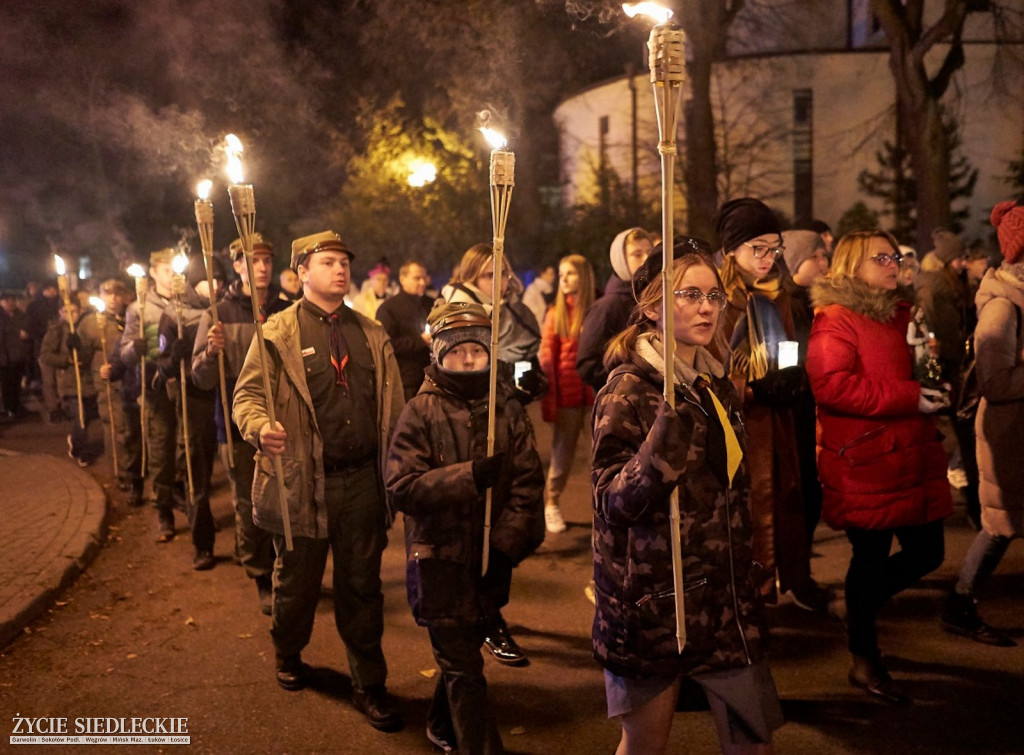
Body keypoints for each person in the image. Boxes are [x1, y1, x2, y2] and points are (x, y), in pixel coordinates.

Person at [591, 249, 783, 755]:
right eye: (690, 295)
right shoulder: (627, 391)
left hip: (724, 603)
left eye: (713, 295)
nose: (707, 308)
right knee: (644, 746)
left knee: (753, 742)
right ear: (653, 307)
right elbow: (612, 503)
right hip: (657, 605)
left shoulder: (714, 383)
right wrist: (656, 455)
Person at [232, 230, 405, 732]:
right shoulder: (277, 332)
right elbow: (247, 397)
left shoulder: (372, 334)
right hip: (301, 484)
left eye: (344, 261)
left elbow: (391, 410)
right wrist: (259, 428)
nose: (340, 269)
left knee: (362, 588)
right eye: (327, 261)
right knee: (297, 585)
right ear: (302, 272)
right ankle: (288, 651)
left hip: (361, 486)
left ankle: (369, 684)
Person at [386, 300, 545, 754]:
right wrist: (469, 477)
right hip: (440, 562)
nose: (470, 359)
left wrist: (507, 547)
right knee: (463, 668)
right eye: (458, 351)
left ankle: (440, 723)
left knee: (463, 657)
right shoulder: (420, 412)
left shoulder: (506, 408)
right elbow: (402, 487)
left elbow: (527, 483)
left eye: (478, 350)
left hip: (489, 562)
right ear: (438, 353)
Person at [807, 229, 952, 705]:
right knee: (868, 560)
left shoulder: (901, 314)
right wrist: (911, 396)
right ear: (852, 265)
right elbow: (832, 387)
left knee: (927, 551)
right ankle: (863, 654)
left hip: (908, 453)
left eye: (894, 256)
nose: (893, 264)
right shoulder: (835, 319)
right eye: (881, 258)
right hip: (865, 461)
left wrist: (928, 376)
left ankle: (858, 609)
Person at [435, 242, 545, 666]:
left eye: (502, 272)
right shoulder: (458, 315)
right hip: (469, 436)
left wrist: (529, 383)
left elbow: (519, 363)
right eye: (487, 275)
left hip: (509, 427)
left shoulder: (512, 316)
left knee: (520, 526)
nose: (498, 282)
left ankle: (486, 606)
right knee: (481, 528)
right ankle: (487, 617)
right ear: (468, 278)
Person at [714, 198, 826, 611]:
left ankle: (788, 582)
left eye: (774, 248)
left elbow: (790, 348)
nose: (767, 258)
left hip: (778, 422)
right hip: (739, 431)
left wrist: (791, 376)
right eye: (757, 248)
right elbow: (709, 369)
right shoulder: (720, 299)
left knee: (786, 504)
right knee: (747, 516)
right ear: (731, 251)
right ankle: (748, 603)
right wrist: (750, 389)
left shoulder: (778, 296)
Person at [941, 200, 1024, 648]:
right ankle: (959, 603)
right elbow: (996, 381)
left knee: (1001, 525)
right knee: (998, 526)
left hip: (1017, 432)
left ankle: (960, 602)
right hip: (1010, 436)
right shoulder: (1002, 309)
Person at [193, 235, 289, 608]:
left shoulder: (286, 309)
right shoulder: (217, 314)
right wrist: (209, 353)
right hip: (235, 426)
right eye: (252, 259)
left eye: (267, 259)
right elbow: (199, 377)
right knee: (252, 505)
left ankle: (285, 568)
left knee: (284, 502)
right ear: (236, 265)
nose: (262, 266)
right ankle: (261, 575)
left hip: (281, 424)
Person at [154, 254, 227, 571]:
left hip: (226, 396)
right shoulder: (173, 316)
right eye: (207, 281)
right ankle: (203, 543)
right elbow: (163, 364)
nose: (215, 286)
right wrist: (174, 357)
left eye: (218, 280)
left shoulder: (226, 310)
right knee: (198, 474)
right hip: (195, 397)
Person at [120, 249, 179, 541]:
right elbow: (125, 352)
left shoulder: (189, 301)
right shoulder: (139, 308)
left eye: (175, 269)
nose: (172, 276)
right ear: (153, 272)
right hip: (156, 390)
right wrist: (135, 349)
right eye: (166, 270)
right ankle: (163, 511)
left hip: (187, 386)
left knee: (188, 451)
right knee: (161, 452)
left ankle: (192, 505)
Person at [539, 253, 595, 534]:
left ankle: (603, 509)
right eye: (561, 274)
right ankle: (551, 504)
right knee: (561, 457)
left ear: (583, 276)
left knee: (600, 457)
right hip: (568, 400)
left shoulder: (595, 310)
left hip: (594, 398)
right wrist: (550, 402)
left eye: (570, 274)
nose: (563, 279)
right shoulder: (555, 314)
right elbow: (547, 361)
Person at [781, 230, 829, 545]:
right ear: (796, 261)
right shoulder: (785, 305)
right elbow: (788, 360)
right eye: (817, 256)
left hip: (814, 405)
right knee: (803, 488)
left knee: (814, 488)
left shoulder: (819, 301)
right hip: (796, 408)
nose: (825, 262)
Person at [576, 228, 654, 392]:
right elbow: (587, 366)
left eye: (649, 252)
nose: (646, 259)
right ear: (621, 260)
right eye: (637, 254)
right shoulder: (606, 307)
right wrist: (626, 378)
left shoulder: (653, 300)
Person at [77, 279, 136, 491]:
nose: (113, 299)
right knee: (116, 428)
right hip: (107, 385)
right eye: (108, 293)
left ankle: (134, 468)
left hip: (133, 382)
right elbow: (81, 357)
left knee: (132, 428)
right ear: (101, 295)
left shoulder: (132, 315)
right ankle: (120, 474)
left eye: (117, 294)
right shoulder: (91, 323)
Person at [39, 297, 100, 466]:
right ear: (60, 312)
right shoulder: (57, 330)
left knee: (88, 416)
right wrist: (67, 360)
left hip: (88, 379)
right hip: (70, 381)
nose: (70, 315)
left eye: (73, 311)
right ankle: (82, 451)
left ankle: (75, 439)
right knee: (79, 416)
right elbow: (46, 355)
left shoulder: (86, 327)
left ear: (79, 311)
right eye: (66, 311)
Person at [375, 260, 435, 402]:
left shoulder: (431, 304)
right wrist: (420, 341)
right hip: (405, 381)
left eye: (423, 278)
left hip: (432, 378)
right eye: (416, 278)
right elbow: (387, 345)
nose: (422, 282)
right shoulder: (389, 309)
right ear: (402, 279)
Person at [0, 293, 31, 417]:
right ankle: (8, 407)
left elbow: (27, 331)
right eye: (7, 300)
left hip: (17, 355)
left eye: (13, 300)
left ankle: (14, 406)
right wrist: (16, 333)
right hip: (3, 356)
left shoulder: (21, 315)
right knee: (6, 384)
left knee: (15, 383)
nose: (10, 303)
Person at [522, 264, 556, 330]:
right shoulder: (539, 289)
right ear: (542, 274)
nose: (553, 277)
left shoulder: (536, 287)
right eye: (550, 274)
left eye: (553, 274)